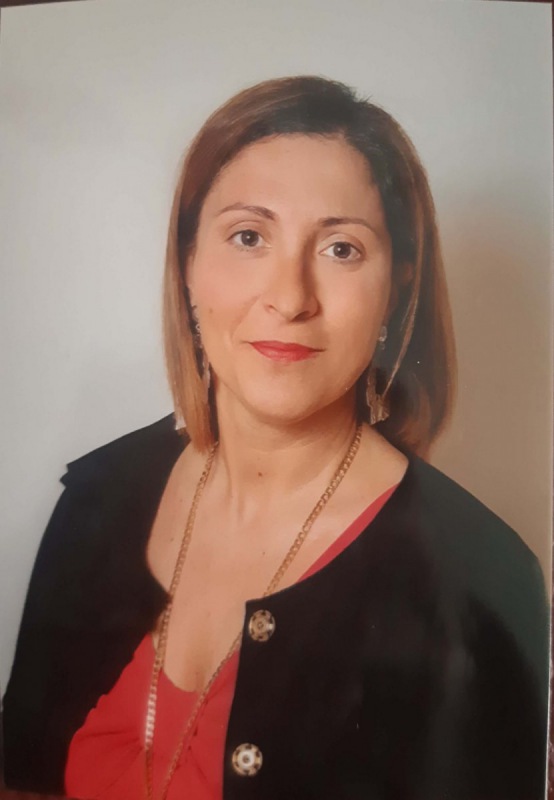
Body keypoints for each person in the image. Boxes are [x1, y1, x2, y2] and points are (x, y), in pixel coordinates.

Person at [2, 76, 549, 800]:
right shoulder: (97, 497)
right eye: (249, 237)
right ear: (188, 264)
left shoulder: (485, 580)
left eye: (342, 249)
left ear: (397, 286)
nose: (290, 298)